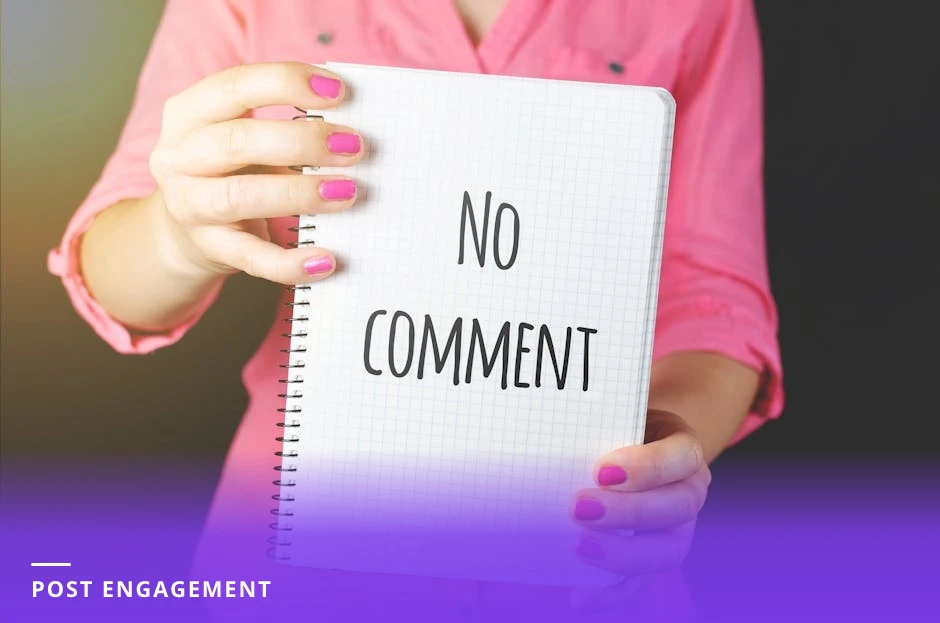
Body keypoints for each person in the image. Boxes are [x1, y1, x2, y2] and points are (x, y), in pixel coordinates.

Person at [47, 0, 782, 598]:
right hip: (287, 548)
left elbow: (714, 296)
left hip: (580, 555)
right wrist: (178, 233)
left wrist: (658, 456)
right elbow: (115, 274)